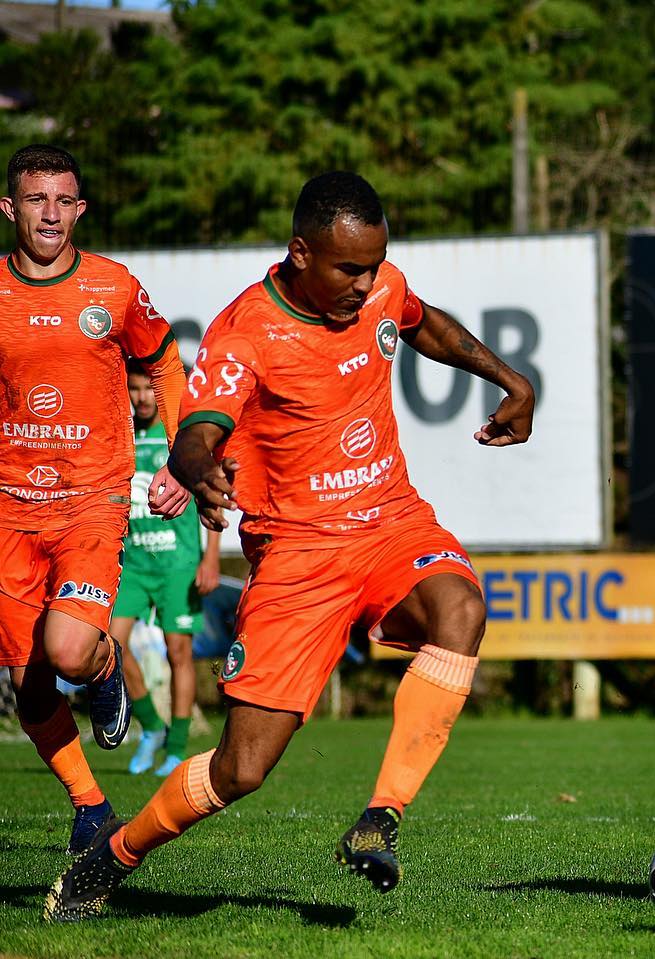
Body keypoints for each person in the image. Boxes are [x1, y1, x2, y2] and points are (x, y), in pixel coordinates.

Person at [46, 171, 536, 922]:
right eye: (348, 268)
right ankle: (114, 854)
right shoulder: (246, 330)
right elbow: (194, 435)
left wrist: (508, 379)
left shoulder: (380, 285)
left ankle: (380, 818)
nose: (366, 282)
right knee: (242, 768)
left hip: (389, 524)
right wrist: (201, 470)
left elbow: (420, 319)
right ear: (300, 252)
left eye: (374, 264)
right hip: (298, 559)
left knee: (461, 607)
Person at [0, 145, 188, 857]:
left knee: (69, 650)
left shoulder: (112, 287)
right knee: (30, 682)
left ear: (80, 208)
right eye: (36, 199)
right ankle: (90, 807)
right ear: (10, 208)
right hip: (8, 509)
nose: (51, 213)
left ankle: (106, 665)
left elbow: (165, 357)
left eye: (64, 200)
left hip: (90, 501)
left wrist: (180, 454)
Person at [112, 360, 223, 777]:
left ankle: (177, 747)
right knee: (109, 646)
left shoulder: (181, 436)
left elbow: (208, 492)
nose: (141, 397)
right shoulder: (122, 433)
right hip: (134, 562)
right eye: (134, 389)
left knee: (180, 652)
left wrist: (210, 556)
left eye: (146, 388)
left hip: (177, 561)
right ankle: (152, 727)